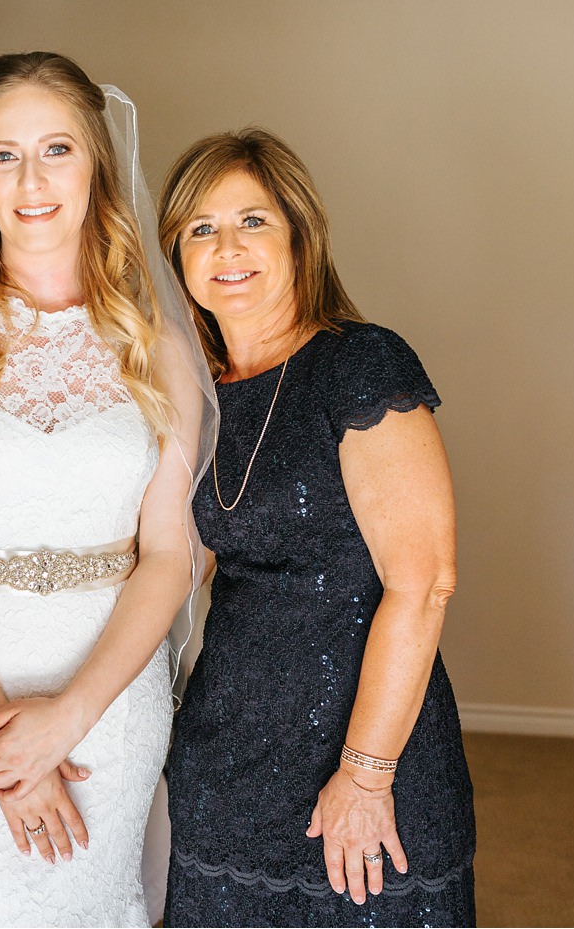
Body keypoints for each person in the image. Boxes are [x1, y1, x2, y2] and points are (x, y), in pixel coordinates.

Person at [0, 52, 215, 927]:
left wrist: (66, 720)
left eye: (57, 148)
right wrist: (5, 741)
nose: (32, 178)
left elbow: (170, 557)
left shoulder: (160, 347)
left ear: (96, 167)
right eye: (3, 154)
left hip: (107, 701)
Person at [157, 128, 476, 927]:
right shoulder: (197, 397)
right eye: (200, 228)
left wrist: (366, 776)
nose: (226, 246)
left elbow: (425, 580)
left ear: (301, 235)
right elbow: (173, 569)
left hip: (361, 757)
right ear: (177, 255)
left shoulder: (359, 364)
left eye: (253, 220)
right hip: (223, 763)